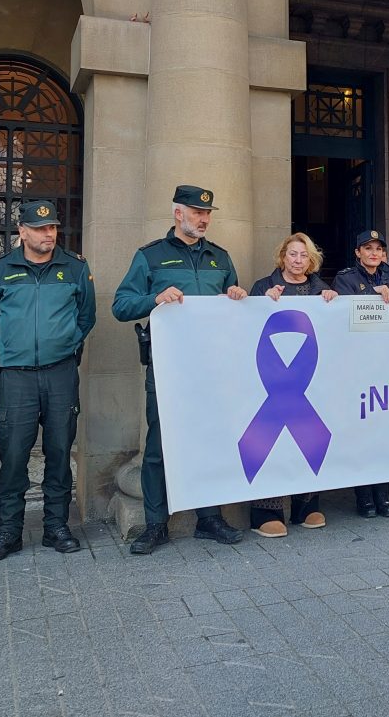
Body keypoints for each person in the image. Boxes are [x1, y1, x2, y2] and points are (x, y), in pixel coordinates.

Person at [111, 185, 248, 555]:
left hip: (212, 367)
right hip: (169, 368)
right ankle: (156, 525)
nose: (203, 219)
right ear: (178, 214)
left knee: (211, 440)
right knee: (158, 446)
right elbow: (121, 305)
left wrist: (237, 296)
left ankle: (210, 518)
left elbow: (234, 306)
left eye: (207, 213)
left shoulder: (220, 258)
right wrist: (154, 298)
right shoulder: (151, 256)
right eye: (196, 212)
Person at [0, 201, 97, 562]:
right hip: (16, 378)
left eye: (53, 227)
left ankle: (56, 527)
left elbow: (86, 316)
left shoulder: (74, 268)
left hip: (60, 374)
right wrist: (12, 347)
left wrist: (66, 343)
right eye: (40, 228)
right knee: (13, 457)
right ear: (22, 232)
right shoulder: (0, 270)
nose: (49, 234)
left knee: (59, 453)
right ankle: (8, 532)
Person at [247, 233, 337, 537]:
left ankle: (306, 505)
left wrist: (333, 303)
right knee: (273, 444)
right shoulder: (263, 286)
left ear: (310, 260)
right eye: (293, 254)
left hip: (308, 380)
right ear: (282, 256)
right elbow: (245, 324)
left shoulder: (321, 289)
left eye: (304, 255)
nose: (298, 260)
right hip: (272, 378)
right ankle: (265, 511)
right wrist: (261, 301)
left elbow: (332, 330)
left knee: (303, 441)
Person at [333, 229, 389, 518]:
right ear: (358, 253)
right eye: (368, 248)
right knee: (361, 433)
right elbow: (343, 314)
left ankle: (383, 495)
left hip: (386, 364)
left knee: (384, 433)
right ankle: (363, 496)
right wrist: (370, 295)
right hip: (357, 365)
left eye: (378, 248)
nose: (374, 253)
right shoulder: (345, 278)